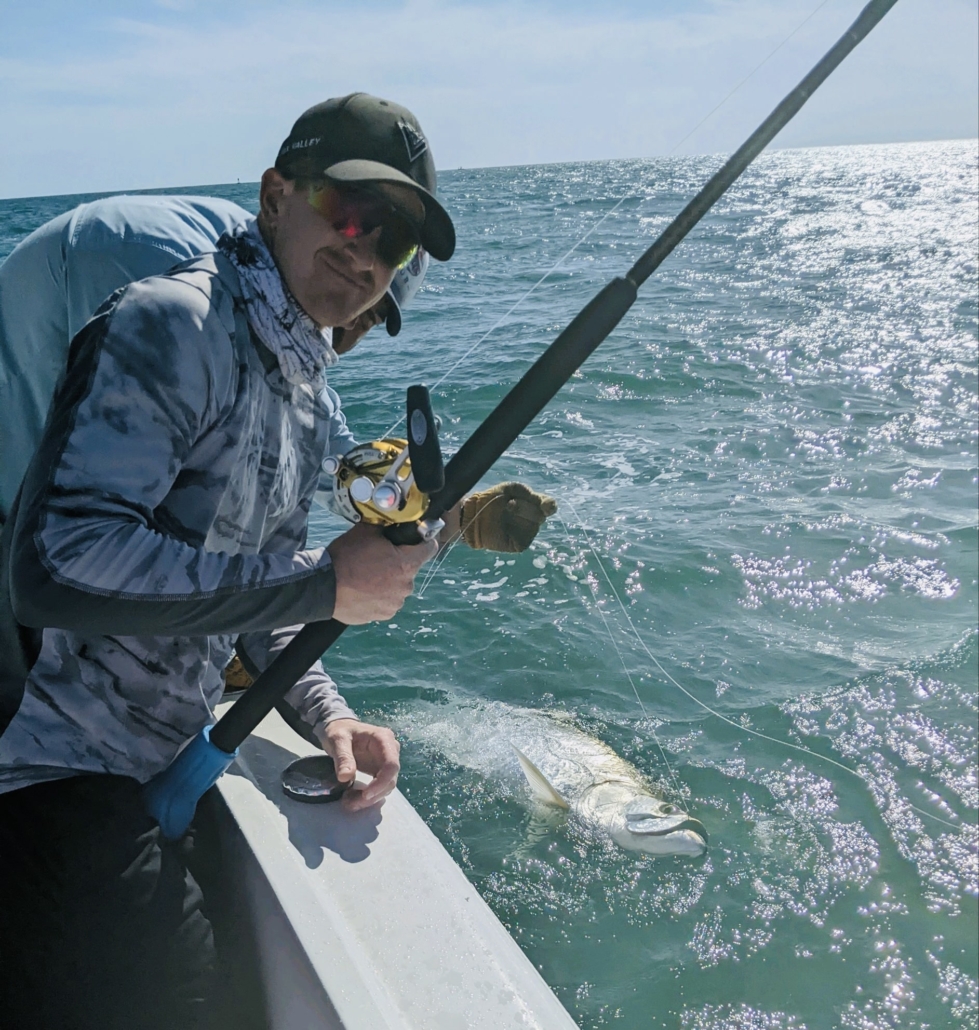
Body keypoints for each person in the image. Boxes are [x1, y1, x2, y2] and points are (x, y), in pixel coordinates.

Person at [0, 92, 555, 1029]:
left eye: (395, 242)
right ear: (273, 195)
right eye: (349, 212)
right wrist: (326, 582)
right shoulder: (173, 320)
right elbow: (58, 563)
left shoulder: (304, 399)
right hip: (50, 762)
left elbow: (256, 597)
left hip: (152, 757)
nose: (365, 249)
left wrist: (330, 718)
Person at [0, 194, 429, 522]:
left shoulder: (267, 284)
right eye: (342, 282)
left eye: (368, 316)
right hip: (86, 285)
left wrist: (446, 511)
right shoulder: (187, 297)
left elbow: (309, 422)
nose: (347, 320)